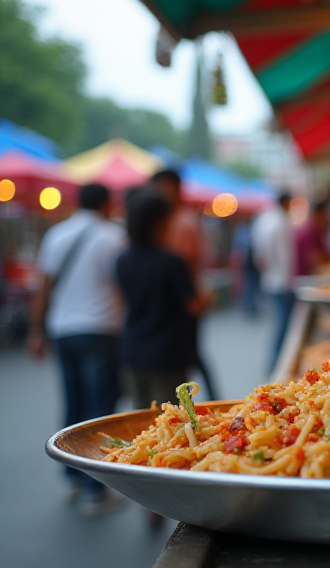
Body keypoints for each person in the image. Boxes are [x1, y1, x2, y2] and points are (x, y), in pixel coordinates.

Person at [28, 183, 126, 514]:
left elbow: (44, 287)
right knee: (99, 410)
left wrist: (36, 330)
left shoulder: (57, 234)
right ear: (107, 204)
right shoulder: (113, 237)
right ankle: (93, 490)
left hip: (62, 331)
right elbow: (123, 287)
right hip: (100, 330)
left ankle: (71, 474)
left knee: (73, 404)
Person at [116, 190, 209, 410]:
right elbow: (193, 305)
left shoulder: (123, 259)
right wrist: (208, 297)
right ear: (159, 222)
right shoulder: (171, 262)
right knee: (171, 420)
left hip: (132, 350)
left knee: (139, 417)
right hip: (167, 354)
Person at [151, 169, 218, 400]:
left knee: (184, 359)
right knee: (190, 356)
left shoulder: (182, 222)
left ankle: (187, 409)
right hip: (179, 301)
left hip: (182, 302)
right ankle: (208, 399)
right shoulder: (173, 219)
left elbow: (184, 265)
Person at [252, 193, 295, 371]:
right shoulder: (280, 223)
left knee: (279, 321)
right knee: (283, 323)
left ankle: (276, 359)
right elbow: (285, 256)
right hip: (282, 280)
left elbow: (259, 254)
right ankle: (278, 361)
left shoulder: (265, 220)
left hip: (272, 277)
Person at [294, 200, 330, 277]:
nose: (328, 217)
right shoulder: (311, 231)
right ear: (320, 213)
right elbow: (314, 260)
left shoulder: (314, 229)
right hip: (306, 278)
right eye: (326, 213)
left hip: (308, 275)